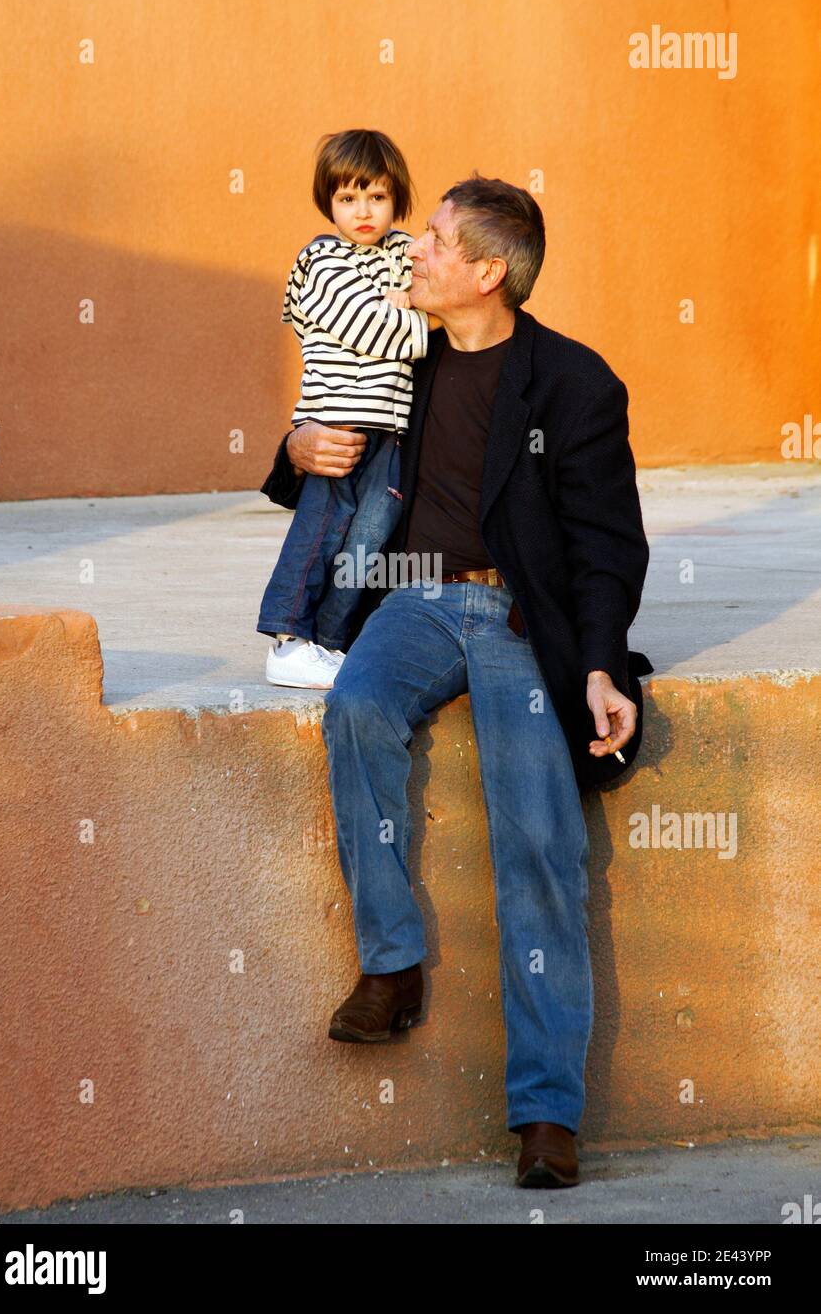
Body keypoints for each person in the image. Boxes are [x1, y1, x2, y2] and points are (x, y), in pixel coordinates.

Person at [260, 174, 654, 1188]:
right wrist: (295, 449)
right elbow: (324, 429)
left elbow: (607, 545)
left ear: (487, 273)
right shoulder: (408, 361)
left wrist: (601, 664)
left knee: (539, 838)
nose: (410, 251)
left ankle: (547, 1113)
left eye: (432, 240)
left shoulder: (573, 383)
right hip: (416, 601)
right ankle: (391, 965)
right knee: (356, 706)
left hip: (521, 614)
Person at [256, 128, 429, 689]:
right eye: (348, 197)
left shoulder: (406, 252)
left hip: (392, 429)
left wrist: (415, 306)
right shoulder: (321, 259)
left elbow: (439, 298)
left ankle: (328, 644)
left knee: (368, 540)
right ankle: (287, 639)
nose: (363, 211)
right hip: (338, 422)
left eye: (377, 196)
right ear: (328, 202)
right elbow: (368, 326)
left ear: (397, 198)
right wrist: (418, 320)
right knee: (321, 531)